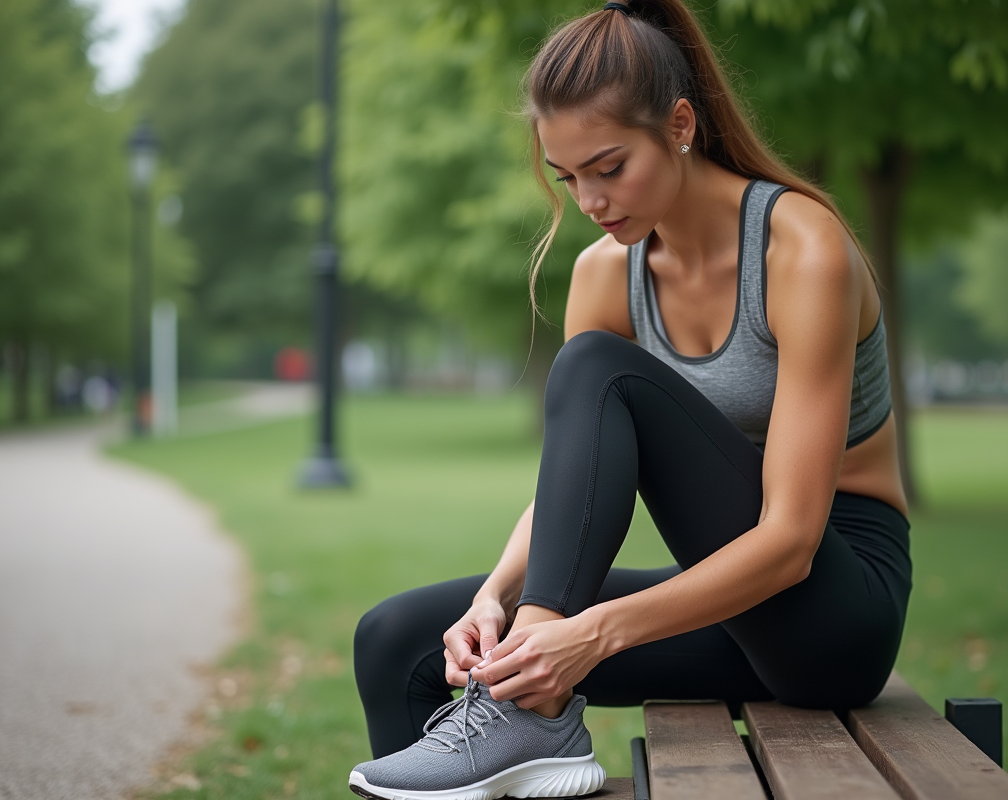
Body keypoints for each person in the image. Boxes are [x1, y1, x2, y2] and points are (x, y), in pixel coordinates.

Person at [348, 1, 911, 798]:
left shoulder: (802, 249)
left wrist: (587, 635)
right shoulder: (606, 273)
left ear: (680, 124)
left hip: (833, 609)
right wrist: (495, 596)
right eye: (567, 176)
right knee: (393, 640)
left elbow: (790, 541)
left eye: (609, 168)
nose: (589, 200)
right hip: (728, 601)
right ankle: (522, 713)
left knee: (593, 367)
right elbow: (568, 491)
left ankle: (526, 714)